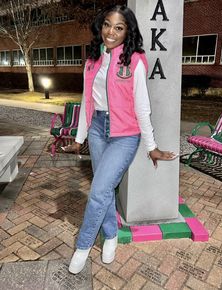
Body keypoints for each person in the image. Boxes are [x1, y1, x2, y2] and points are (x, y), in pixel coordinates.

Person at [62, 4, 178, 274]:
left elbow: (142, 107)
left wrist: (151, 147)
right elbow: (86, 100)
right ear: (100, 26)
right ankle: (111, 236)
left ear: (128, 31)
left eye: (119, 27)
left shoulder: (134, 60)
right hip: (97, 129)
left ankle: (83, 246)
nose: (110, 32)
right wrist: (80, 139)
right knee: (105, 191)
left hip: (125, 135)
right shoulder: (92, 61)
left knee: (98, 191)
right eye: (106, 25)